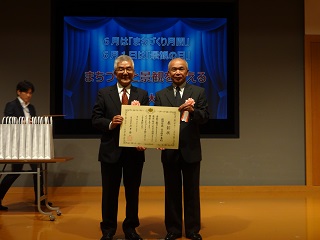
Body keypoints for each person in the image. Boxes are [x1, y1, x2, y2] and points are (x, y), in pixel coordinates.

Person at [92, 55, 149, 240]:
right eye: (121, 69)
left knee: (133, 192)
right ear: (115, 72)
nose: (125, 72)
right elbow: (96, 119)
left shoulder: (142, 94)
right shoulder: (104, 93)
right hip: (110, 152)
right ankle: (108, 229)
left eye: (129, 69)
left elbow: (147, 123)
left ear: (134, 72)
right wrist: (111, 124)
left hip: (134, 153)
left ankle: (131, 228)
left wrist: (145, 141)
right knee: (109, 193)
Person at [155, 58, 209, 240]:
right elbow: (157, 122)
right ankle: (173, 230)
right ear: (168, 73)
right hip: (169, 150)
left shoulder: (198, 92)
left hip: (191, 149)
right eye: (173, 70)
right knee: (172, 191)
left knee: (192, 191)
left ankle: (193, 230)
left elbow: (205, 117)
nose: (177, 72)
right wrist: (157, 140)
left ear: (188, 72)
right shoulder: (161, 94)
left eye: (181, 69)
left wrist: (193, 111)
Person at [0, 80, 53, 211]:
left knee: (38, 171)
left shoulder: (31, 107)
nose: (29, 95)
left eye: (30, 93)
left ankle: (39, 199)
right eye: (26, 92)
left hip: (31, 144)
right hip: (17, 145)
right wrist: (22, 121)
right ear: (19, 92)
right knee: (14, 172)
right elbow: (7, 121)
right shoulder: (11, 105)